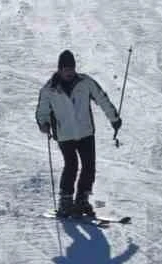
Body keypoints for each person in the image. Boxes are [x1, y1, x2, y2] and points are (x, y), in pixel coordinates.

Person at [35, 49, 122, 219]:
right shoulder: (50, 90)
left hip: (86, 132)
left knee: (89, 166)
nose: (69, 72)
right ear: (60, 69)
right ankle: (66, 201)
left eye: (72, 69)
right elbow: (42, 111)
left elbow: (102, 98)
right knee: (72, 165)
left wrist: (114, 118)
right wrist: (43, 123)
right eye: (66, 69)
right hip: (64, 134)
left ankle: (82, 199)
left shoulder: (85, 82)